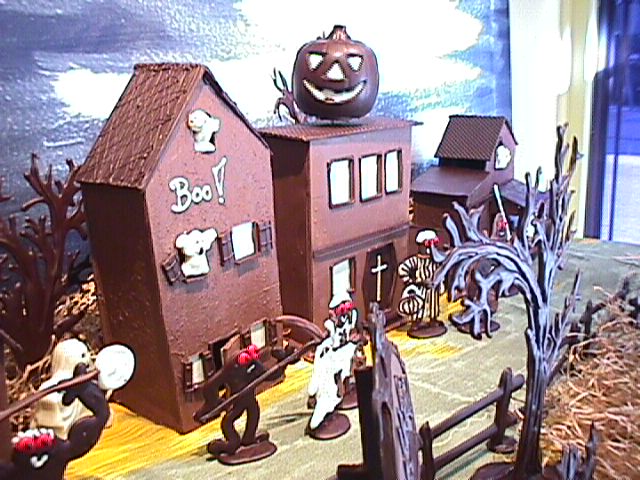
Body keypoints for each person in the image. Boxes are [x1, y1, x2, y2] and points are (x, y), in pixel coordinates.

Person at [397, 229, 447, 339]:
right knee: (420, 305)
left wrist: (440, 282)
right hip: (421, 288)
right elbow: (402, 268)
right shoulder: (416, 260)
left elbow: (442, 270)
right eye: (427, 245)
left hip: (434, 287)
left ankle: (433, 320)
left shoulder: (436, 260)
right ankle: (417, 322)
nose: (429, 249)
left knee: (434, 305)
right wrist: (412, 281)